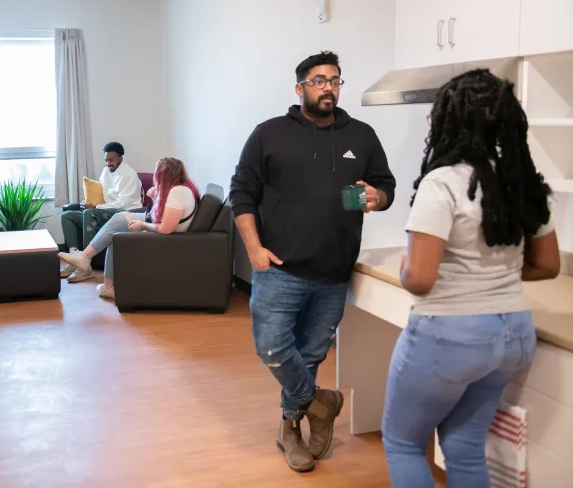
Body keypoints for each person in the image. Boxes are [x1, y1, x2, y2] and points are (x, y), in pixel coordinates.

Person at [381, 69, 559, 487]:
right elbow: (549, 265)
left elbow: (421, 278)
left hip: (452, 336)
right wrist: (495, 274)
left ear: (447, 120)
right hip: (514, 334)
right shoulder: (522, 183)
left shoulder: (441, 182)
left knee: (403, 442)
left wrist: (406, 270)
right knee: (464, 443)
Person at [229, 50, 396, 473]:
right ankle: (323, 403)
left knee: (310, 355)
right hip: (279, 267)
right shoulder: (269, 134)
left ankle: (291, 429)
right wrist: (253, 247)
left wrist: (378, 197)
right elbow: (242, 192)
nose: (329, 88)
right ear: (300, 87)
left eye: (335, 81)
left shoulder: (361, 135)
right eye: (319, 81)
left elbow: (385, 185)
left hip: (334, 271)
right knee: (272, 347)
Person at [58, 157, 199, 300]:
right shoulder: (180, 188)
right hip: (169, 233)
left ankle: (93, 268)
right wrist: (157, 195)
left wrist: (142, 225)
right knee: (120, 218)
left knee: (117, 232)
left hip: (169, 239)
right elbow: (167, 217)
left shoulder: (178, 192)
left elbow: (166, 229)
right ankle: (86, 261)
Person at [60, 142, 143, 283]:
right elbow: (100, 195)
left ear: (120, 158)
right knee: (67, 216)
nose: (108, 163)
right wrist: (86, 203)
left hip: (123, 213)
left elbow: (122, 204)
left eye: (111, 160)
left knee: (89, 213)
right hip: (103, 211)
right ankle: (76, 259)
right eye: (106, 160)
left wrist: (95, 207)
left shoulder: (129, 175)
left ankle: (85, 267)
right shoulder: (106, 172)